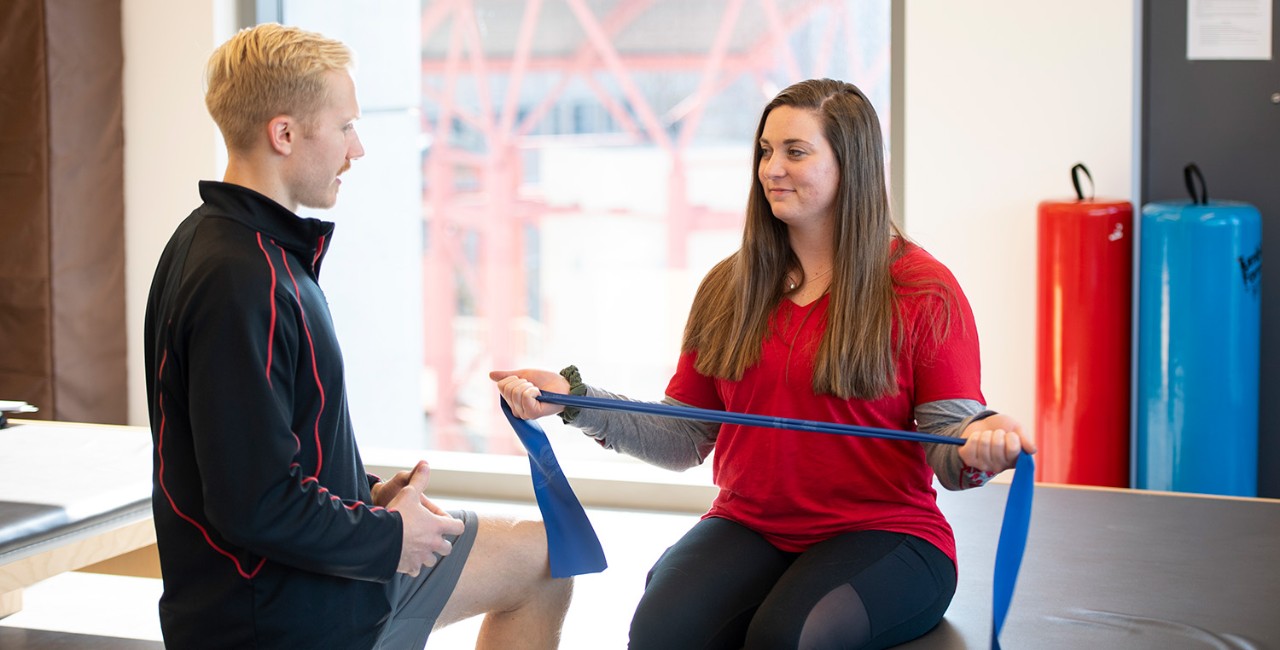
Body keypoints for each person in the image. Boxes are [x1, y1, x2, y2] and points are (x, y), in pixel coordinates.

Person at [492, 78, 1036, 650]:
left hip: (886, 532)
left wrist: (981, 442)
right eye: (765, 151)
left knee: (784, 638)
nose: (772, 168)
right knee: (660, 632)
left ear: (850, 164)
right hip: (750, 524)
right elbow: (687, 437)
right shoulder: (732, 286)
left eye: (795, 152)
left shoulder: (924, 289)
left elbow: (952, 450)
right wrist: (572, 400)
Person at [144, 23, 570, 649]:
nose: (358, 148)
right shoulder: (240, 279)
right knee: (544, 561)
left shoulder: (239, 247)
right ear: (284, 134)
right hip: (283, 616)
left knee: (545, 557)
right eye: (345, 127)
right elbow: (252, 502)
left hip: (310, 579)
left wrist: (366, 494)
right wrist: (388, 537)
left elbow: (264, 448)